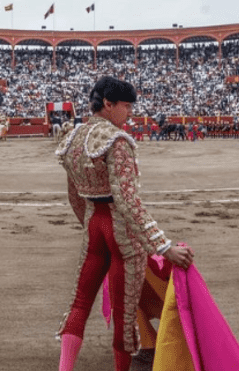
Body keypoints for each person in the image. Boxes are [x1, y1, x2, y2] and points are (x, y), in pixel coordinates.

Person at [54, 76, 194, 371]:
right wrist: (164, 247)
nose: (130, 112)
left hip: (93, 226)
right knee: (124, 315)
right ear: (108, 104)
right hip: (122, 234)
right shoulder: (117, 141)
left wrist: (90, 224)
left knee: (79, 303)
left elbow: (74, 196)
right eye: (126, 106)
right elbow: (128, 202)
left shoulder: (73, 138)